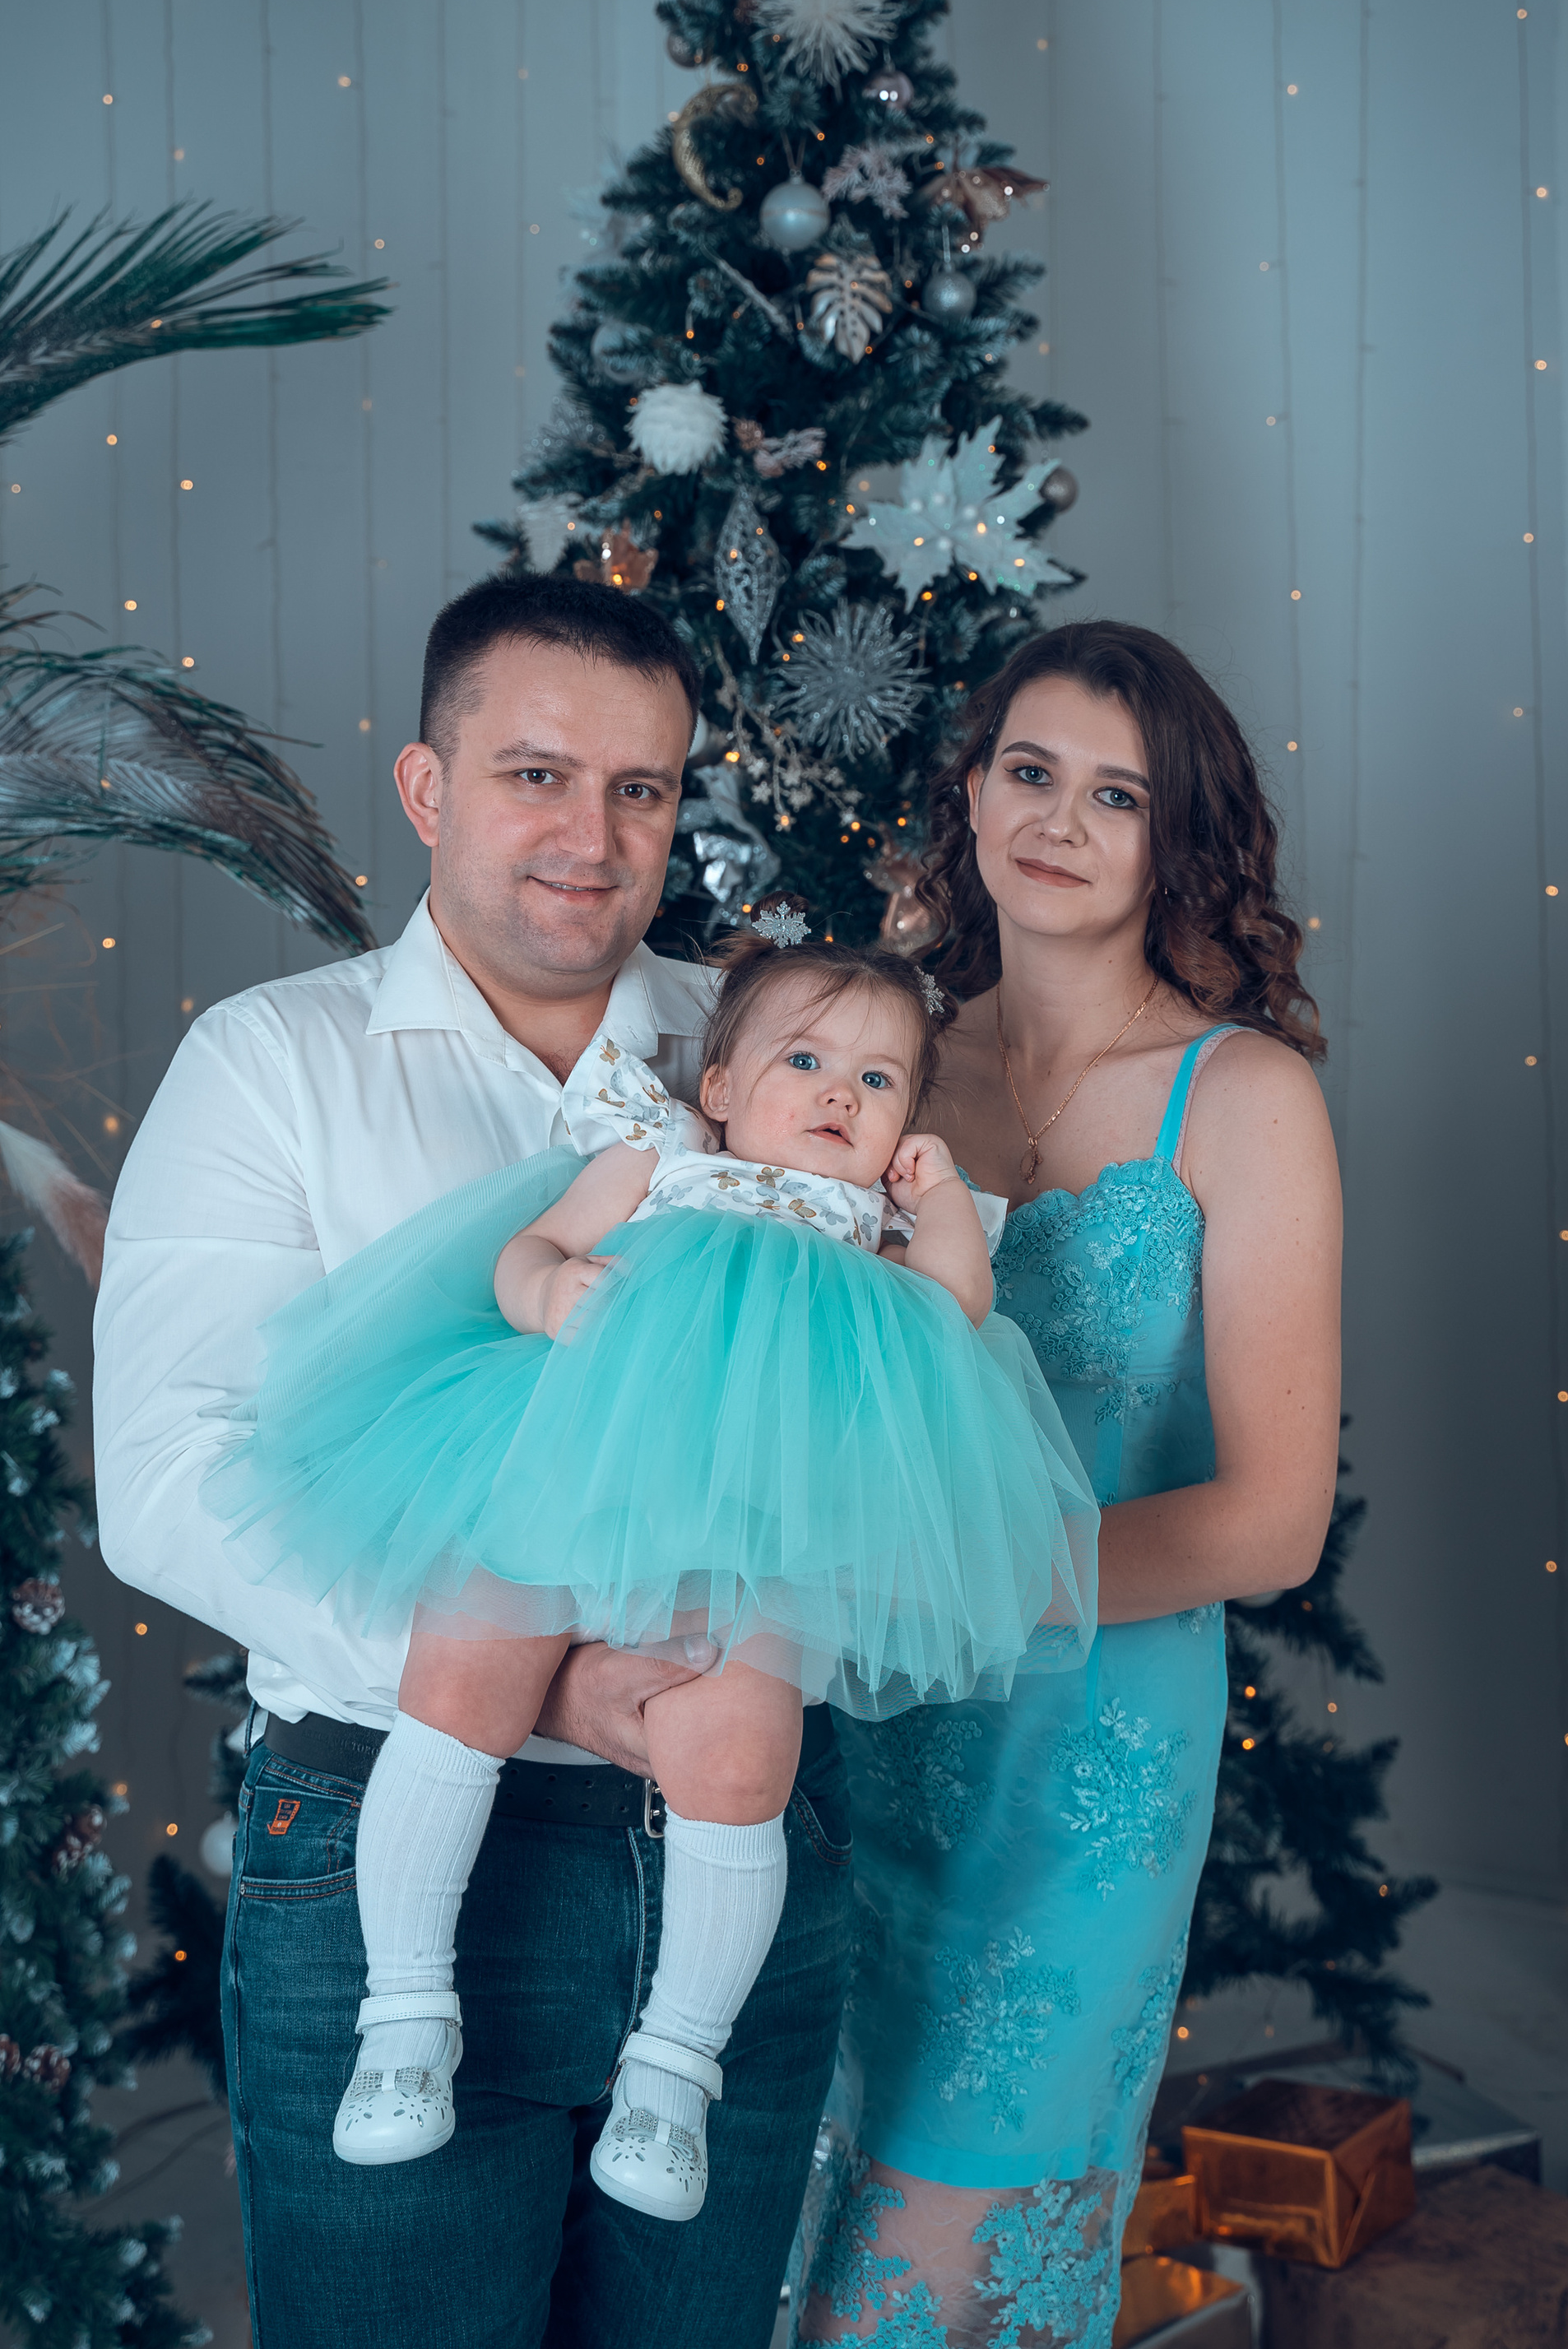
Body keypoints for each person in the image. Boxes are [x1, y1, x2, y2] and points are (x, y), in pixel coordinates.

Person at [94, 574, 851, 2349]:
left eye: (642, 789)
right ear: (428, 787)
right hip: (387, 1838)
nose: (594, 836)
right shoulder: (273, 1065)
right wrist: (531, 1681)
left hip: (737, 1836)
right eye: (536, 776)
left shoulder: (777, 1052)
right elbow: (170, 1480)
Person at [204, 928, 1098, 2212]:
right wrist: (547, 1294)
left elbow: (958, 1307)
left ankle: (674, 2072)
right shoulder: (664, 1154)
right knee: (460, 1677)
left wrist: (941, 1192)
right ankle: (403, 2013)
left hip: (759, 1535)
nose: (840, 1095)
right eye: (805, 1062)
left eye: (880, 1081)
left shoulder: (878, 1230)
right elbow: (526, 1250)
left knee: (741, 1759)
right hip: (569, 1471)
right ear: (718, 1086)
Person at [793, 621, 1343, 2347]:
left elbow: (1273, 1520)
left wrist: (965, 1577)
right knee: (785, 2231)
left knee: (918, 2295)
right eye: (1031, 772)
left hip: (1084, 1768)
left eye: (1119, 796)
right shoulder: (871, 1062)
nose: (1059, 821)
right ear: (970, 795)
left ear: (1177, 841)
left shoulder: (1242, 1100)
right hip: (839, 1729)